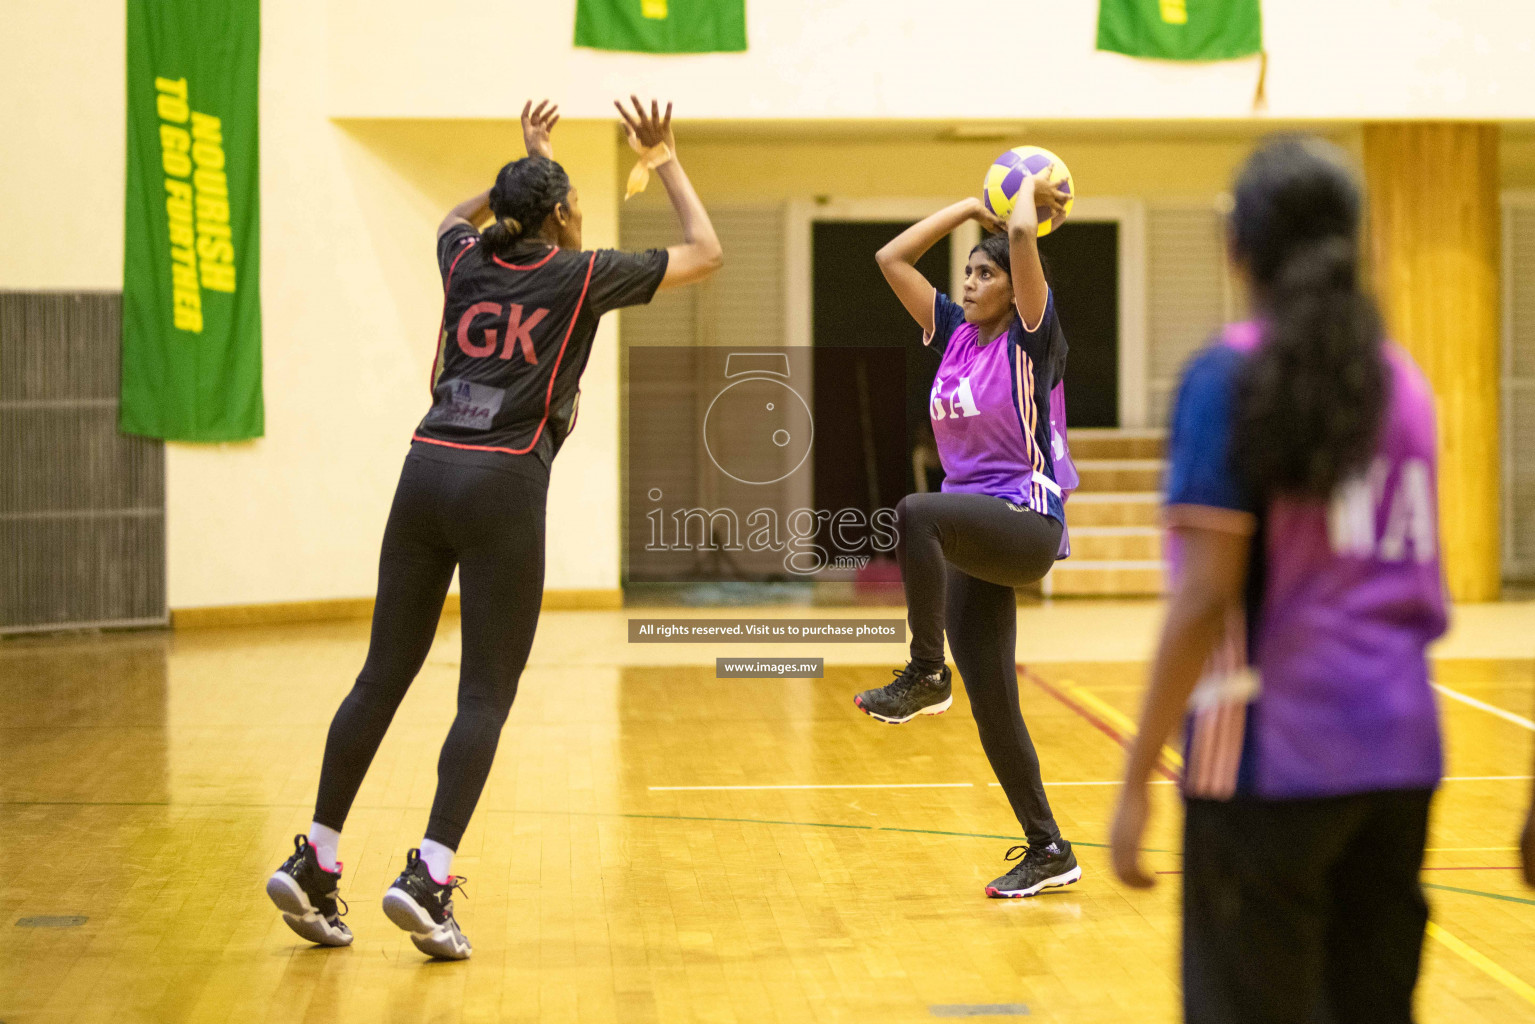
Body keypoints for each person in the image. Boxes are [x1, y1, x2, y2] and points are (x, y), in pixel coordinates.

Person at [264, 97, 722, 960]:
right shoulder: (579, 275)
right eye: (572, 202)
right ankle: (428, 877)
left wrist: (518, 176)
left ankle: (318, 856)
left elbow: (448, 216)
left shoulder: (465, 258)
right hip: (503, 483)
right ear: (558, 216)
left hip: (423, 471)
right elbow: (707, 251)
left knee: (381, 675)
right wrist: (660, 158)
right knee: (485, 694)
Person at [1109, 136, 1449, 1023]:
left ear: (1239, 246)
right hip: (1401, 752)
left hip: (1272, 753)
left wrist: (1136, 775)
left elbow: (1205, 597)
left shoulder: (1229, 374)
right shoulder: (1403, 383)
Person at [852, 179, 1083, 898]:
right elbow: (891, 258)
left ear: (1019, 290)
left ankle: (924, 673)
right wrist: (965, 208)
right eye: (969, 272)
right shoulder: (953, 334)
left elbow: (1021, 244)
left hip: (1024, 521)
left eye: (986, 273)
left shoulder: (1030, 336)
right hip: (969, 531)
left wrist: (1021, 206)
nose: (972, 281)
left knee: (914, 511)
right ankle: (1049, 848)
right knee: (992, 703)